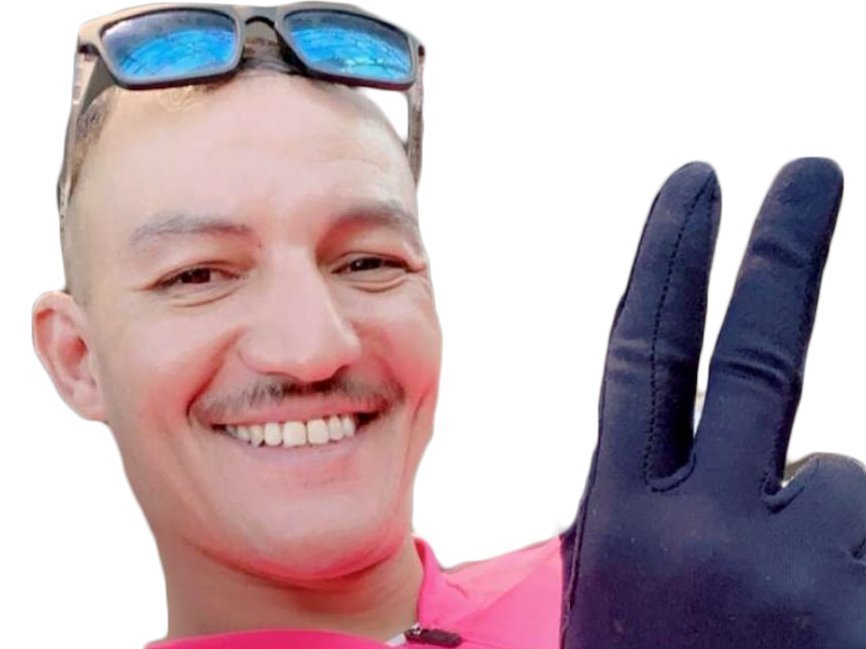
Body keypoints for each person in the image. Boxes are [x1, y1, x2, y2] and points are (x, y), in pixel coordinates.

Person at [30, 3, 866, 649]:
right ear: (77, 358)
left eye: (368, 261)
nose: (314, 347)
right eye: (198, 275)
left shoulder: (723, 593)